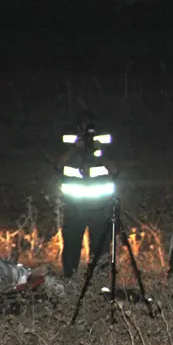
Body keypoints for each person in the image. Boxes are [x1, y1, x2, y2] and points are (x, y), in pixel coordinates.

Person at [56, 110, 119, 278]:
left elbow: (114, 169)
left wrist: (97, 152)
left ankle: (98, 281)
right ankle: (70, 278)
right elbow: (58, 165)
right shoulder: (69, 142)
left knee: (101, 246)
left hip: (100, 205)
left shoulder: (104, 144)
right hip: (74, 205)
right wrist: (75, 149)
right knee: (71, 245)